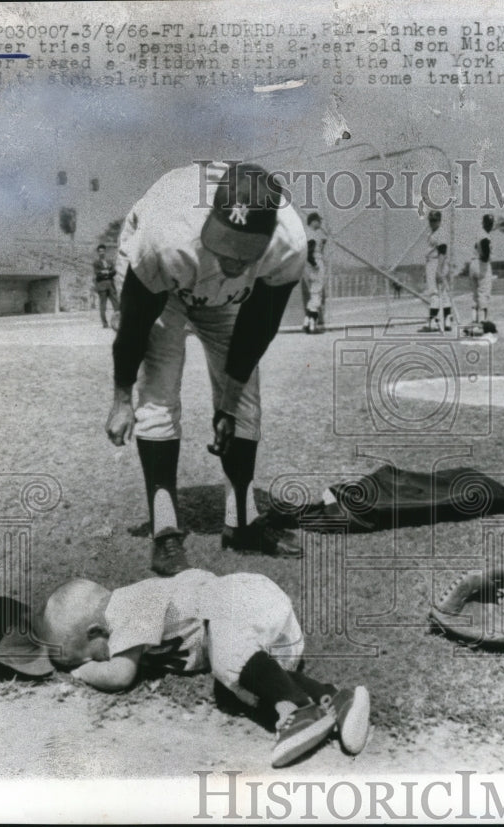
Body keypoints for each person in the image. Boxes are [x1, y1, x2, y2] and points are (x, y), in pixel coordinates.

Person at [106, 162, 304, 576]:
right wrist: (121, 397)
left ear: (268, 239)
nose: (231, 259)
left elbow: (256, 331)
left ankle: (243, 522)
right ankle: (165, 528)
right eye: (224, 243)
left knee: (245, 396)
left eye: (242, 250)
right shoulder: (166, 236)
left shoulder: (289, 245)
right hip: (168, 279)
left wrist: (227, 405)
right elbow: (134, 328)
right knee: (159, 383)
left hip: (226, 298)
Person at [36, 569, 371, 769]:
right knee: (233, 685)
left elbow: (120, 675)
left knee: (225, 654)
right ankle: (334, 700)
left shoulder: (128, 606)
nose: (94, 664)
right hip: (265, 642)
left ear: (96, 632)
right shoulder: (130, 614)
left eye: (87, 657)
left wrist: (80, 673)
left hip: (244, 604)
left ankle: (296, 711)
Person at [421, 211, 453, 331]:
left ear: (439, 220)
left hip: (437, 262)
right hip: (434, 262)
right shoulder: (431, 233)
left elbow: (443, 251)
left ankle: (433, 322)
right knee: (443, 293)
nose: (432, 222)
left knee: (435, 292)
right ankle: (447, 321)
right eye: (431, 220)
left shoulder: (440, 233)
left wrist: (438, 269)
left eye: (435, 220)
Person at [300, 212, 328, 334]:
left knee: (313, 295)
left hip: (310, 265)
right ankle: (312, 326)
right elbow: (309, 252)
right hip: (315, 263)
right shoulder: (312, 234)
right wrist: (315, 265)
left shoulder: (307, 232)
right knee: (316, 295)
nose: (320, 223)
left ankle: (307, 324)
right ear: (313, 221)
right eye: (318, 221)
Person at [469, 214, 495, 323]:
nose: (490, 226)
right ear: (485, 223)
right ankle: (483, 321)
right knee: (484, 293)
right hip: (482, 265)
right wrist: (487, 257)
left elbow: (476, 247)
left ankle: (474, 320)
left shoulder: (478, 233)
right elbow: (486, 253)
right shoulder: (485, 236)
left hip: (473, 263)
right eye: (489, 223)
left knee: (475, 295)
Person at [92, 244, 120, 328]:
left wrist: (105, 272)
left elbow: (114, 272)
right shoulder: (96, 263)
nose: (102, 253)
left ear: (105, 251)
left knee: (116, 304)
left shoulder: (110, 261)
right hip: (102, 286)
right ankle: (105, 323)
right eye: (100, 251)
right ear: (98, 252)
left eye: (103, 251)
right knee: (103, 306)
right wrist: (108, 272)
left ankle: (119, 322)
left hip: (111, 285)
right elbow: (98, 274)